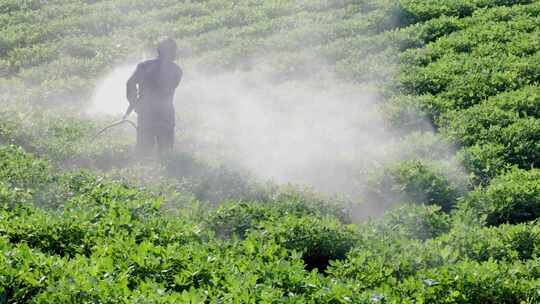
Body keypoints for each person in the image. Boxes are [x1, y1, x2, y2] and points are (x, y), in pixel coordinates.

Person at [125, 38, 183, 156]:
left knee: (143, 152)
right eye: (173, 50)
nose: (175, 53)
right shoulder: (177, 71)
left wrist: (135, 102)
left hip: (148, 114)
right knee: (166, 153)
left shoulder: (144, 66)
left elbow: (130, 83)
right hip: (164, 116)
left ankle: (142, 170)